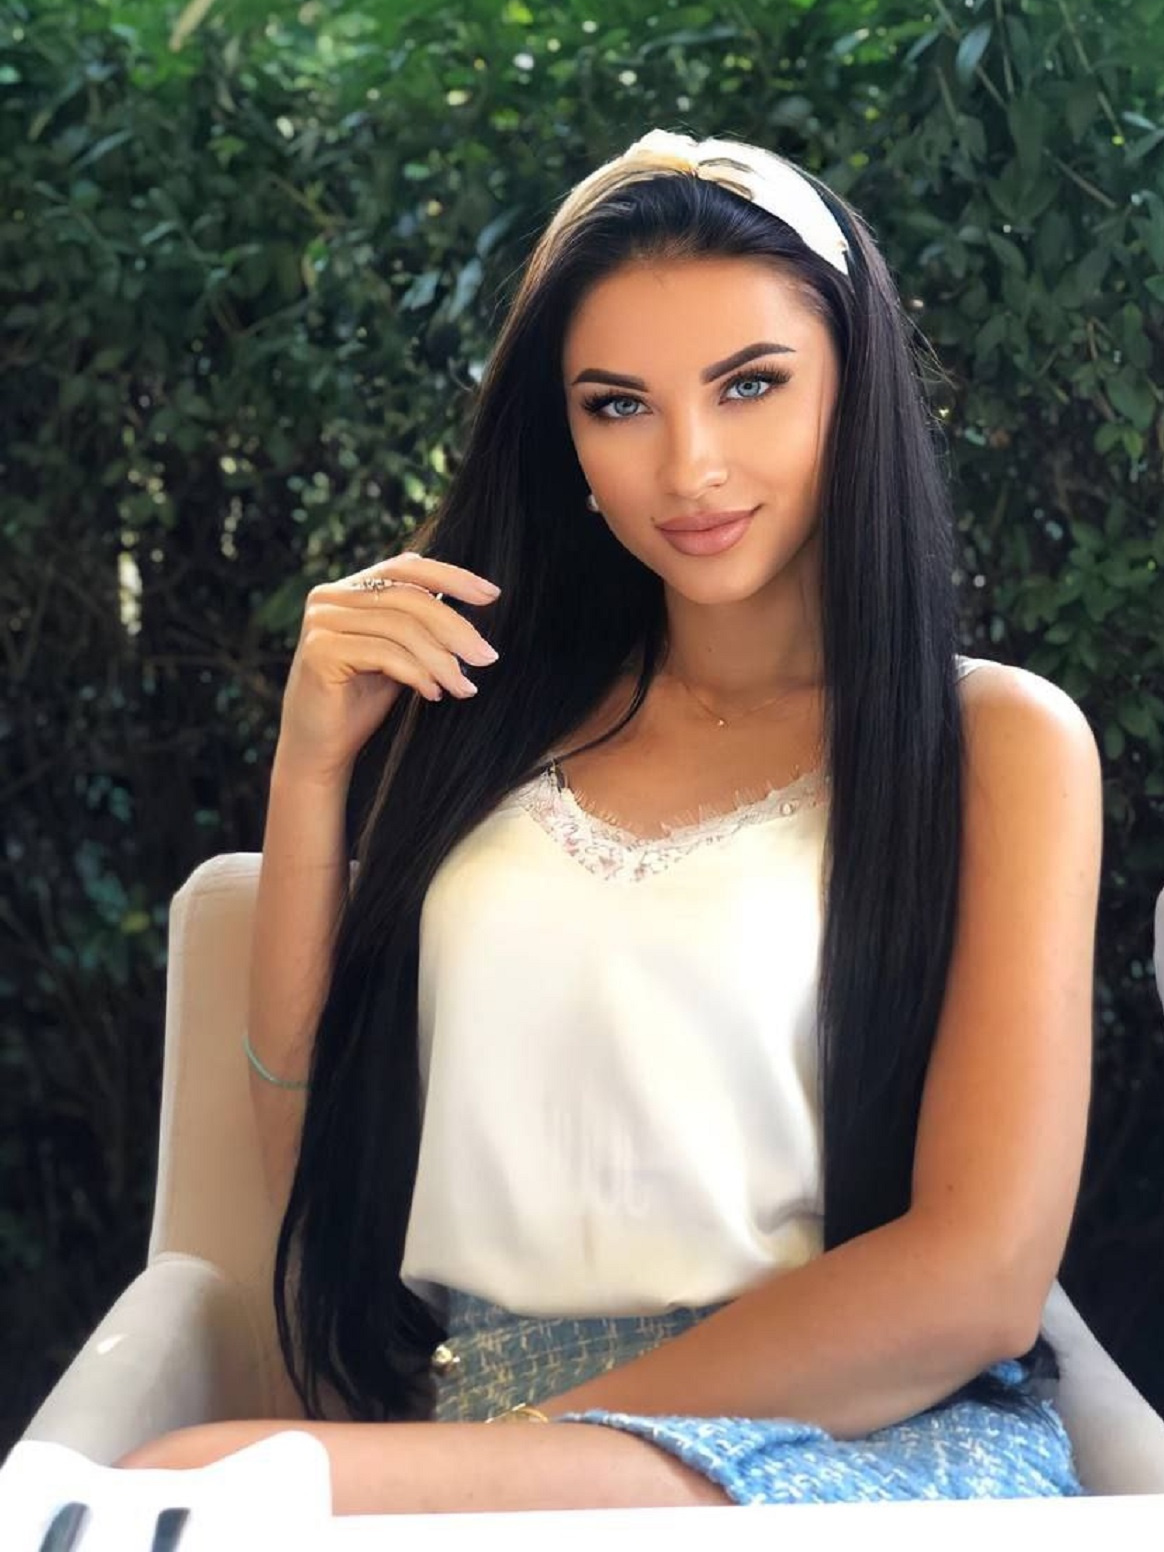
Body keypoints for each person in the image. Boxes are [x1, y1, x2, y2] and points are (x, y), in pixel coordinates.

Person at [119, 127, 1103, 1512]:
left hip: (860, 1434)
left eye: (751, 384)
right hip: (498, 1427)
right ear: (567, 438)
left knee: (189, 1488)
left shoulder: (993, 743)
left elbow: (978, 1280)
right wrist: (309, 771)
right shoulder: (481, 727)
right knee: (183, 1494)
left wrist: (516, 1463)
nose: (689, 466)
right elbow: (323, 1166)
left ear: (855, 388)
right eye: (619, 405)